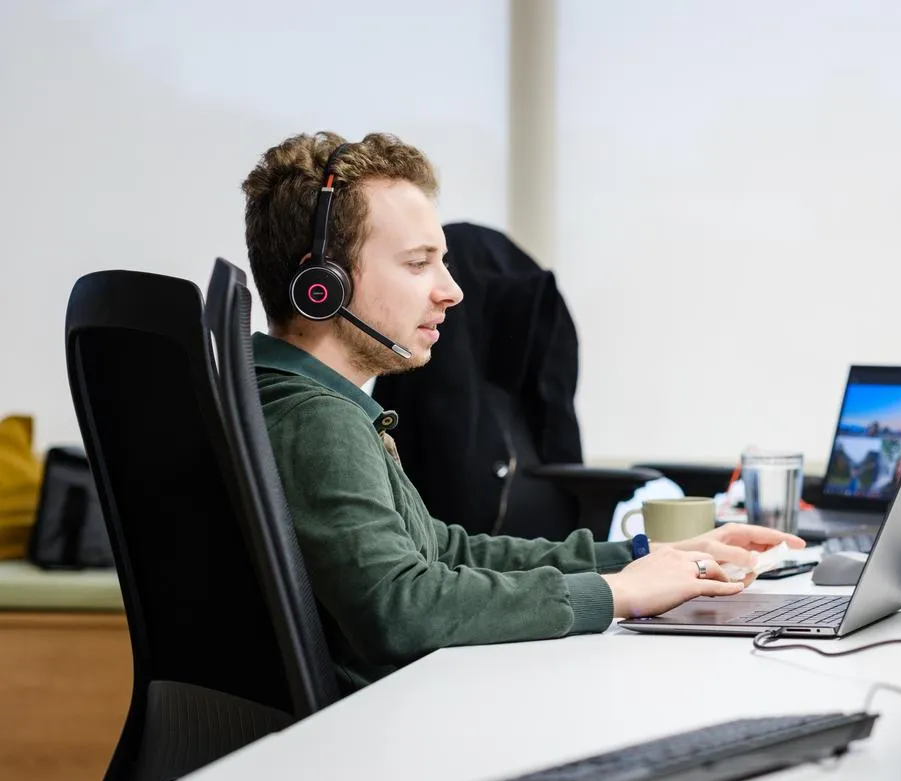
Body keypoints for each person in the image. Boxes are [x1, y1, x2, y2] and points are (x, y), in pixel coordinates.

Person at [241, 131, 803, 692]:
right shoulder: (318, 420)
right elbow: (402, 607)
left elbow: (443, 551)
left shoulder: (313, 404)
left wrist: (641, 555)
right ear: (321, 285)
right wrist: (617, 594)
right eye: (418, 264)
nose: (452, 291)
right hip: (385, 731)